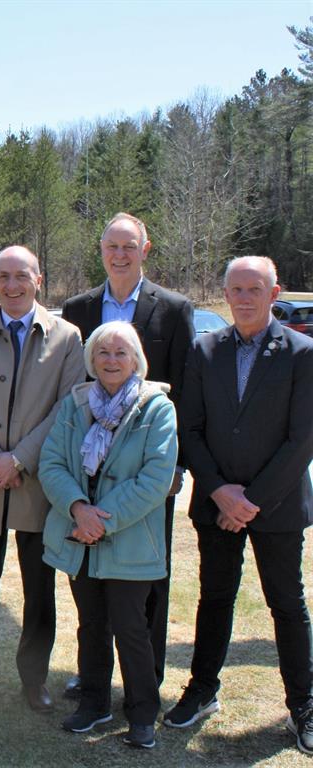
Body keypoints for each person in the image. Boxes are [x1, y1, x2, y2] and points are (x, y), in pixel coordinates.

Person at [165, 256, 313, 755]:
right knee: (214, 598)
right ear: (224, 295)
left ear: (275, 294)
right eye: (236, 289)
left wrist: (250, 500)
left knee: (287, 605)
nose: (244, 298)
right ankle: (203, 690)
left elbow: (302, 439)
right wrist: (218, 490)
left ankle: (304, 706)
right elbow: (190, 428)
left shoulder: (302, 353)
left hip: (277, 505)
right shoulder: (205, 350)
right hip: (216, 502)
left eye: (255, 289)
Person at [0, 246, 85, 712]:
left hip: (39, 483)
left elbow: (68, 408)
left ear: (38, 279)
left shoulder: (68, 337)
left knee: (39, 589)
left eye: (21, 276)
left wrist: (19, 458)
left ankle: (34, 680)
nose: (12, 285)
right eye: (2, 277)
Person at [61, 212, 194, 696]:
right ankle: (92, 675)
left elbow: (186, 388)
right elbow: (71, 388)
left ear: (146, 248)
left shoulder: (174, 309)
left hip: (144, 470)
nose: (120, 255)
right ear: (101, 250)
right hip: (88, 469)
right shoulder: (78, 309)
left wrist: (176, 464)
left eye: (129, 246)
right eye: (112, 246)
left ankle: (146, 678)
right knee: (89, 575)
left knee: (147, 582)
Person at [38, 321, 177, 749]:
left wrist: (104, 519)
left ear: (136, 359)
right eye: (103, 353)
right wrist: (79, 509)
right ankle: (94, 703)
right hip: (79, 537)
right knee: (91, 625)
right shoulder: (75, 404)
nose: (111, 360)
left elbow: (156, 479)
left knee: (131, 628)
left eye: (121, 353)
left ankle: (141, 712)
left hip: (129, 540)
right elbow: (52, 464)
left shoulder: (157, 408)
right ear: (91, 359)